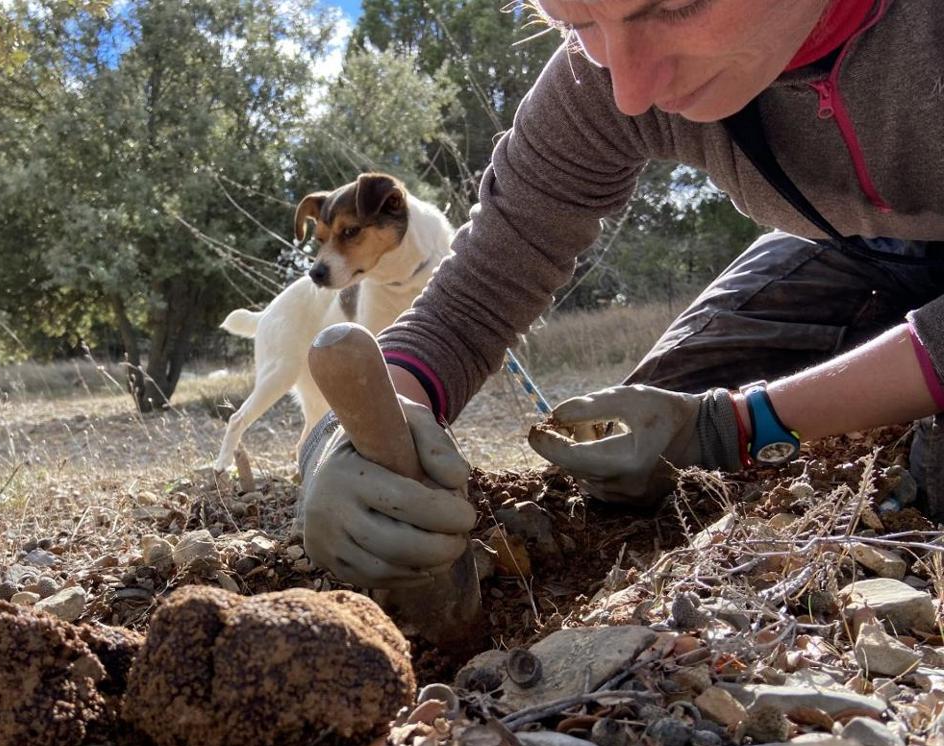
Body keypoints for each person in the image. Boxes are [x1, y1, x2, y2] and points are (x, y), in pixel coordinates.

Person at [298, 0, 944, 590]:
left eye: (676, 6)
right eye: (575, 24)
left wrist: (739, 425)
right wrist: (350, 433)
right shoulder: (600, 76)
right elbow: (472, 301)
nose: (630, 91)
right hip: (856, 246)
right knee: (639, 475)